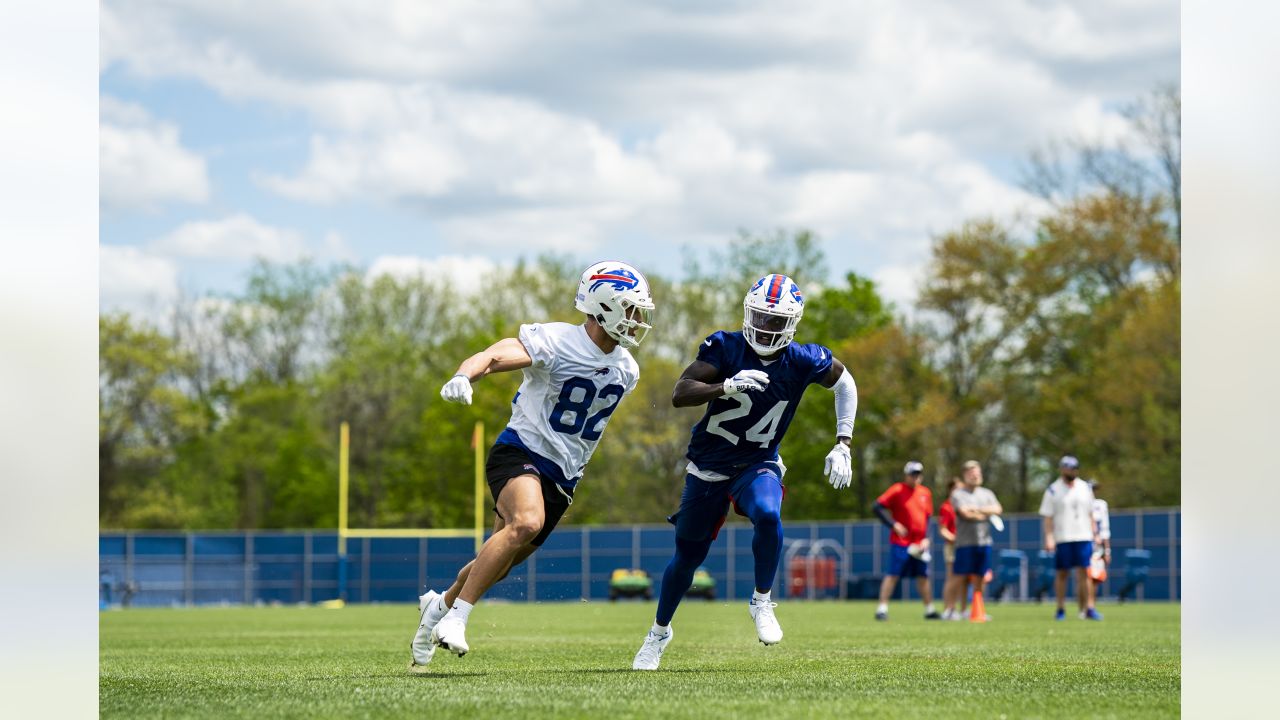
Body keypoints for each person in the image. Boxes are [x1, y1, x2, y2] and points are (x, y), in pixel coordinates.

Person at [409, 261, 655, 669]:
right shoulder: (558, 340)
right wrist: (465, 375)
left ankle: (437, 606)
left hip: (564, 475)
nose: (636, 320)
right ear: (602, 306)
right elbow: (495, 355)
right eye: (629, 309)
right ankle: (457, 619)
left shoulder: (628, 369)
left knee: (499, 563)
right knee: (526, 522)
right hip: (521, 451)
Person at [631, 273, 857, 671]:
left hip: (757, 461)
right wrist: (726, 385)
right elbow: (680, 393)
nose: (766, 327)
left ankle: (762, 600)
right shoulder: (725, 347)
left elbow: (845, 383)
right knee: (687, 558)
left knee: (768, 514)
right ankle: (659, 633)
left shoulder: (804, 358)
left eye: (775, 320)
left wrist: (844, 442)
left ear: (791, 323)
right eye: (760, 316)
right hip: (708, 467)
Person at [872, 461, 939, 621]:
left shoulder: (925, 493)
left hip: (919, 543)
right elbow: (877, 507)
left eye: (918, 474)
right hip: (901, 542)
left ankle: (929, 610)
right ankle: (882, 609)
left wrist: (926, 539)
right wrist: (893, 524)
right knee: (893, 575)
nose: (915, 477)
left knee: (923, 576)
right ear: (906, 475)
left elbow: (928, 518)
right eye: (912, 474)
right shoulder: (897, 489)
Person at [1039, 455, 1102, 621]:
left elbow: (1091, 514)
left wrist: (1095, 534)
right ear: (1062, 469)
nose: (1073, 471)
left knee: (1085, 572)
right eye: (1069, 468)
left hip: (1083, 536)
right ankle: (1060, 608)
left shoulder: (1085, 488)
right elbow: (1047, 517)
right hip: (1063, 537)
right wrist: (1049, 537)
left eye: (1075, 468)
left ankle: (1088, 608)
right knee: (1062, 573)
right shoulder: (1053, 489)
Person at [951, 460, 1002, 620]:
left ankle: (977, 608)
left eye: (978, 473)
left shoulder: (987, 493)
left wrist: (978, 510)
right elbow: (965, 513)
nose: (976, 476)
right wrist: (985, 514)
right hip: (965, 543)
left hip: (984, 542)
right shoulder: (958, 494)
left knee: (981, 577)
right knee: (960, 577)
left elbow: (998, 509)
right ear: (965, 475)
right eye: (972, 473)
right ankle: (954, 610)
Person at [938, 477, 966, 620]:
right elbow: (942, 530)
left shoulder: (964, 505)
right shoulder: (947, 506)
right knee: (952, 578)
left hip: (965, 546)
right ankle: (948, 609)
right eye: (957, 488)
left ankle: (963, 610)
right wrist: (955, 539)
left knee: (964, 579)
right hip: (952, 546)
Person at [1088, 478, 1112, 599]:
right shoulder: (1081, 504)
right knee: (1086, 575)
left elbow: (1105, 528)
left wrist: (1107, 550)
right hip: (1085, 544)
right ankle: (1085, 606)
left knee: (1096, 577)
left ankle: (1091, 606)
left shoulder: (1101, 505)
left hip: (1098, 547)